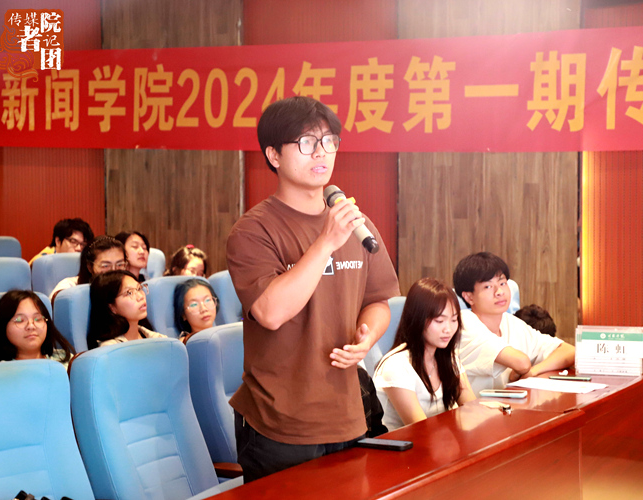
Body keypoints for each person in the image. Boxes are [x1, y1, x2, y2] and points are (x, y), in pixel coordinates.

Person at [226, 96, 400, 482]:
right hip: (280, 425)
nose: (321, 152)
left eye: (329, 141)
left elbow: (378, 300)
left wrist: (368, 336)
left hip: (347, 413)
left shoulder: (355, 224)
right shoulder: (253, 230)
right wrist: (325, 243)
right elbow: (270, 313)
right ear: (273, 155)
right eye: (306, 142)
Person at [453, 252, 575, 396]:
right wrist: (524, 369)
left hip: (505, 407)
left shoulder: (510, 321)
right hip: (473, 409)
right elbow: (521, 362)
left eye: (502, 283)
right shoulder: (463, 323)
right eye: (488, 286)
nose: (499, 292)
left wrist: (534, 371)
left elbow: (569, 351)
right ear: (469, 297)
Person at [374, 278, 476, 430]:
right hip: (410, 442)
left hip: (442, 439)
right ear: (418, 319)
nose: (448, 329)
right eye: (439, 321)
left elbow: (472, 409)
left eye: (454, 320)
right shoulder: (396, 365)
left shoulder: (448, 358)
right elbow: (421, 430)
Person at [0, 290, 74, 367]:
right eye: (19, 320)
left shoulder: (65, 360)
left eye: (37, 319)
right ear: (3, 325)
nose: (31, 326)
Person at [88, 270, 164, 348]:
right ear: (112, 307)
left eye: (139, 288)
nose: (141, 297)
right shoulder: (110, 349)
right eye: (129, 293)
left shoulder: (158, 338)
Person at [49, 235, 127, 302]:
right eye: (105, 266)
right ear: (90, 267)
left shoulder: (129, 288)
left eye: (120, 264)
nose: (114, 270)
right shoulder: (69, 288)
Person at [29, 217, 94, 265]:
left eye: (83, 244)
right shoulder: (41, 262)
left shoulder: (85, 262)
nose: (79, 248)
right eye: (73, 241)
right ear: (58, 241)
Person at [173, 278, 218, 342]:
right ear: (183, 314)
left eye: (207, 300)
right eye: (194, 305)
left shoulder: (226, 335)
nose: (204, 309)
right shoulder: (183, 345)